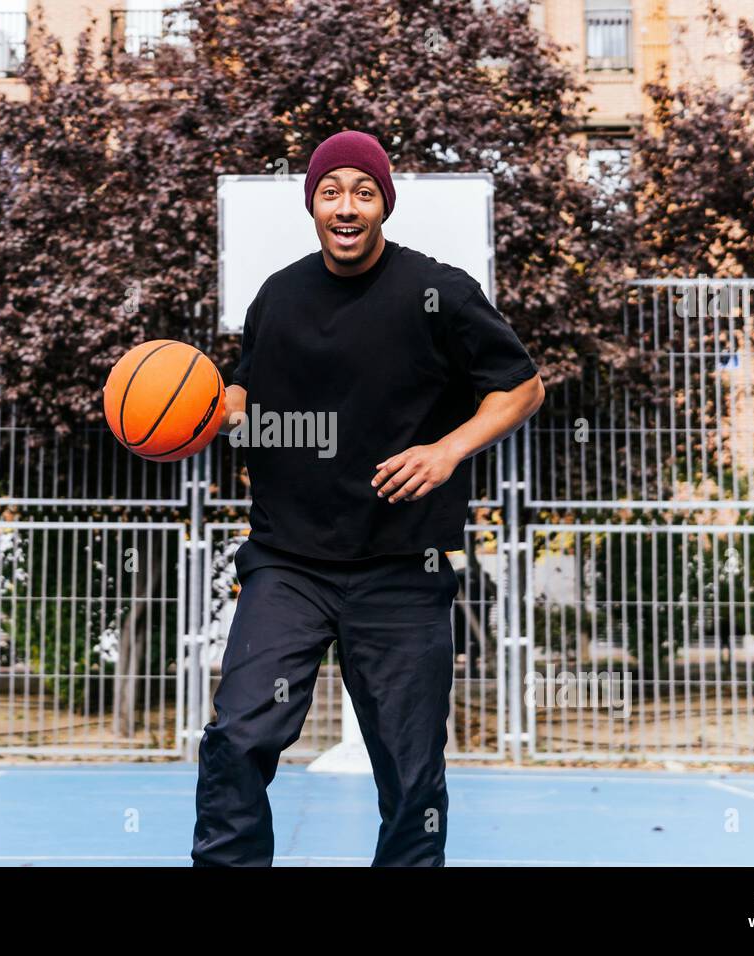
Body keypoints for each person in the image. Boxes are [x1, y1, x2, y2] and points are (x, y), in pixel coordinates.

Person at [191, 130, 544, 866]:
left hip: (401, 571)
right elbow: (247, 394)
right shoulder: (278, 296)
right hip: (288, 565)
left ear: (384, 201)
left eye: (362, 191)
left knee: (413, 777)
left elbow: (523, 387)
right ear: (311, 204)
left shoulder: (440, 293)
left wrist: (448, 449)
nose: (345, 206)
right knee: (237, 738)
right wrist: (202, 411)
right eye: (330, 191)